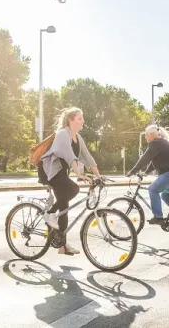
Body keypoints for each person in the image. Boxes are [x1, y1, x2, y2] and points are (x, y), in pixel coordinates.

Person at [41, 107, 102, 256]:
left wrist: (99, 176)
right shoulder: (63, 134)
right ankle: (49, 213)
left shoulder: (78, 138)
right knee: (74, 189)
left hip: (62, 173)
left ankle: (62, 246)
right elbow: (70, 156)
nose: (83, 121)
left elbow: (87, 157)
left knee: (64, 207)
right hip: (52, 172)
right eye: (80, 118)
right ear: (71, 120)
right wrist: (79, 174)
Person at [127, 124, 169, 226]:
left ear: (152, 134)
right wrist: (146, 172)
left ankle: (158, 217)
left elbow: (145, 158)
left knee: (153, 189)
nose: (146, 137)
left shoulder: (156, 143)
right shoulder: (162, 143)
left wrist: (132, 171)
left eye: (146, 135)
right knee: (166, 195)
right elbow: (153, 161)